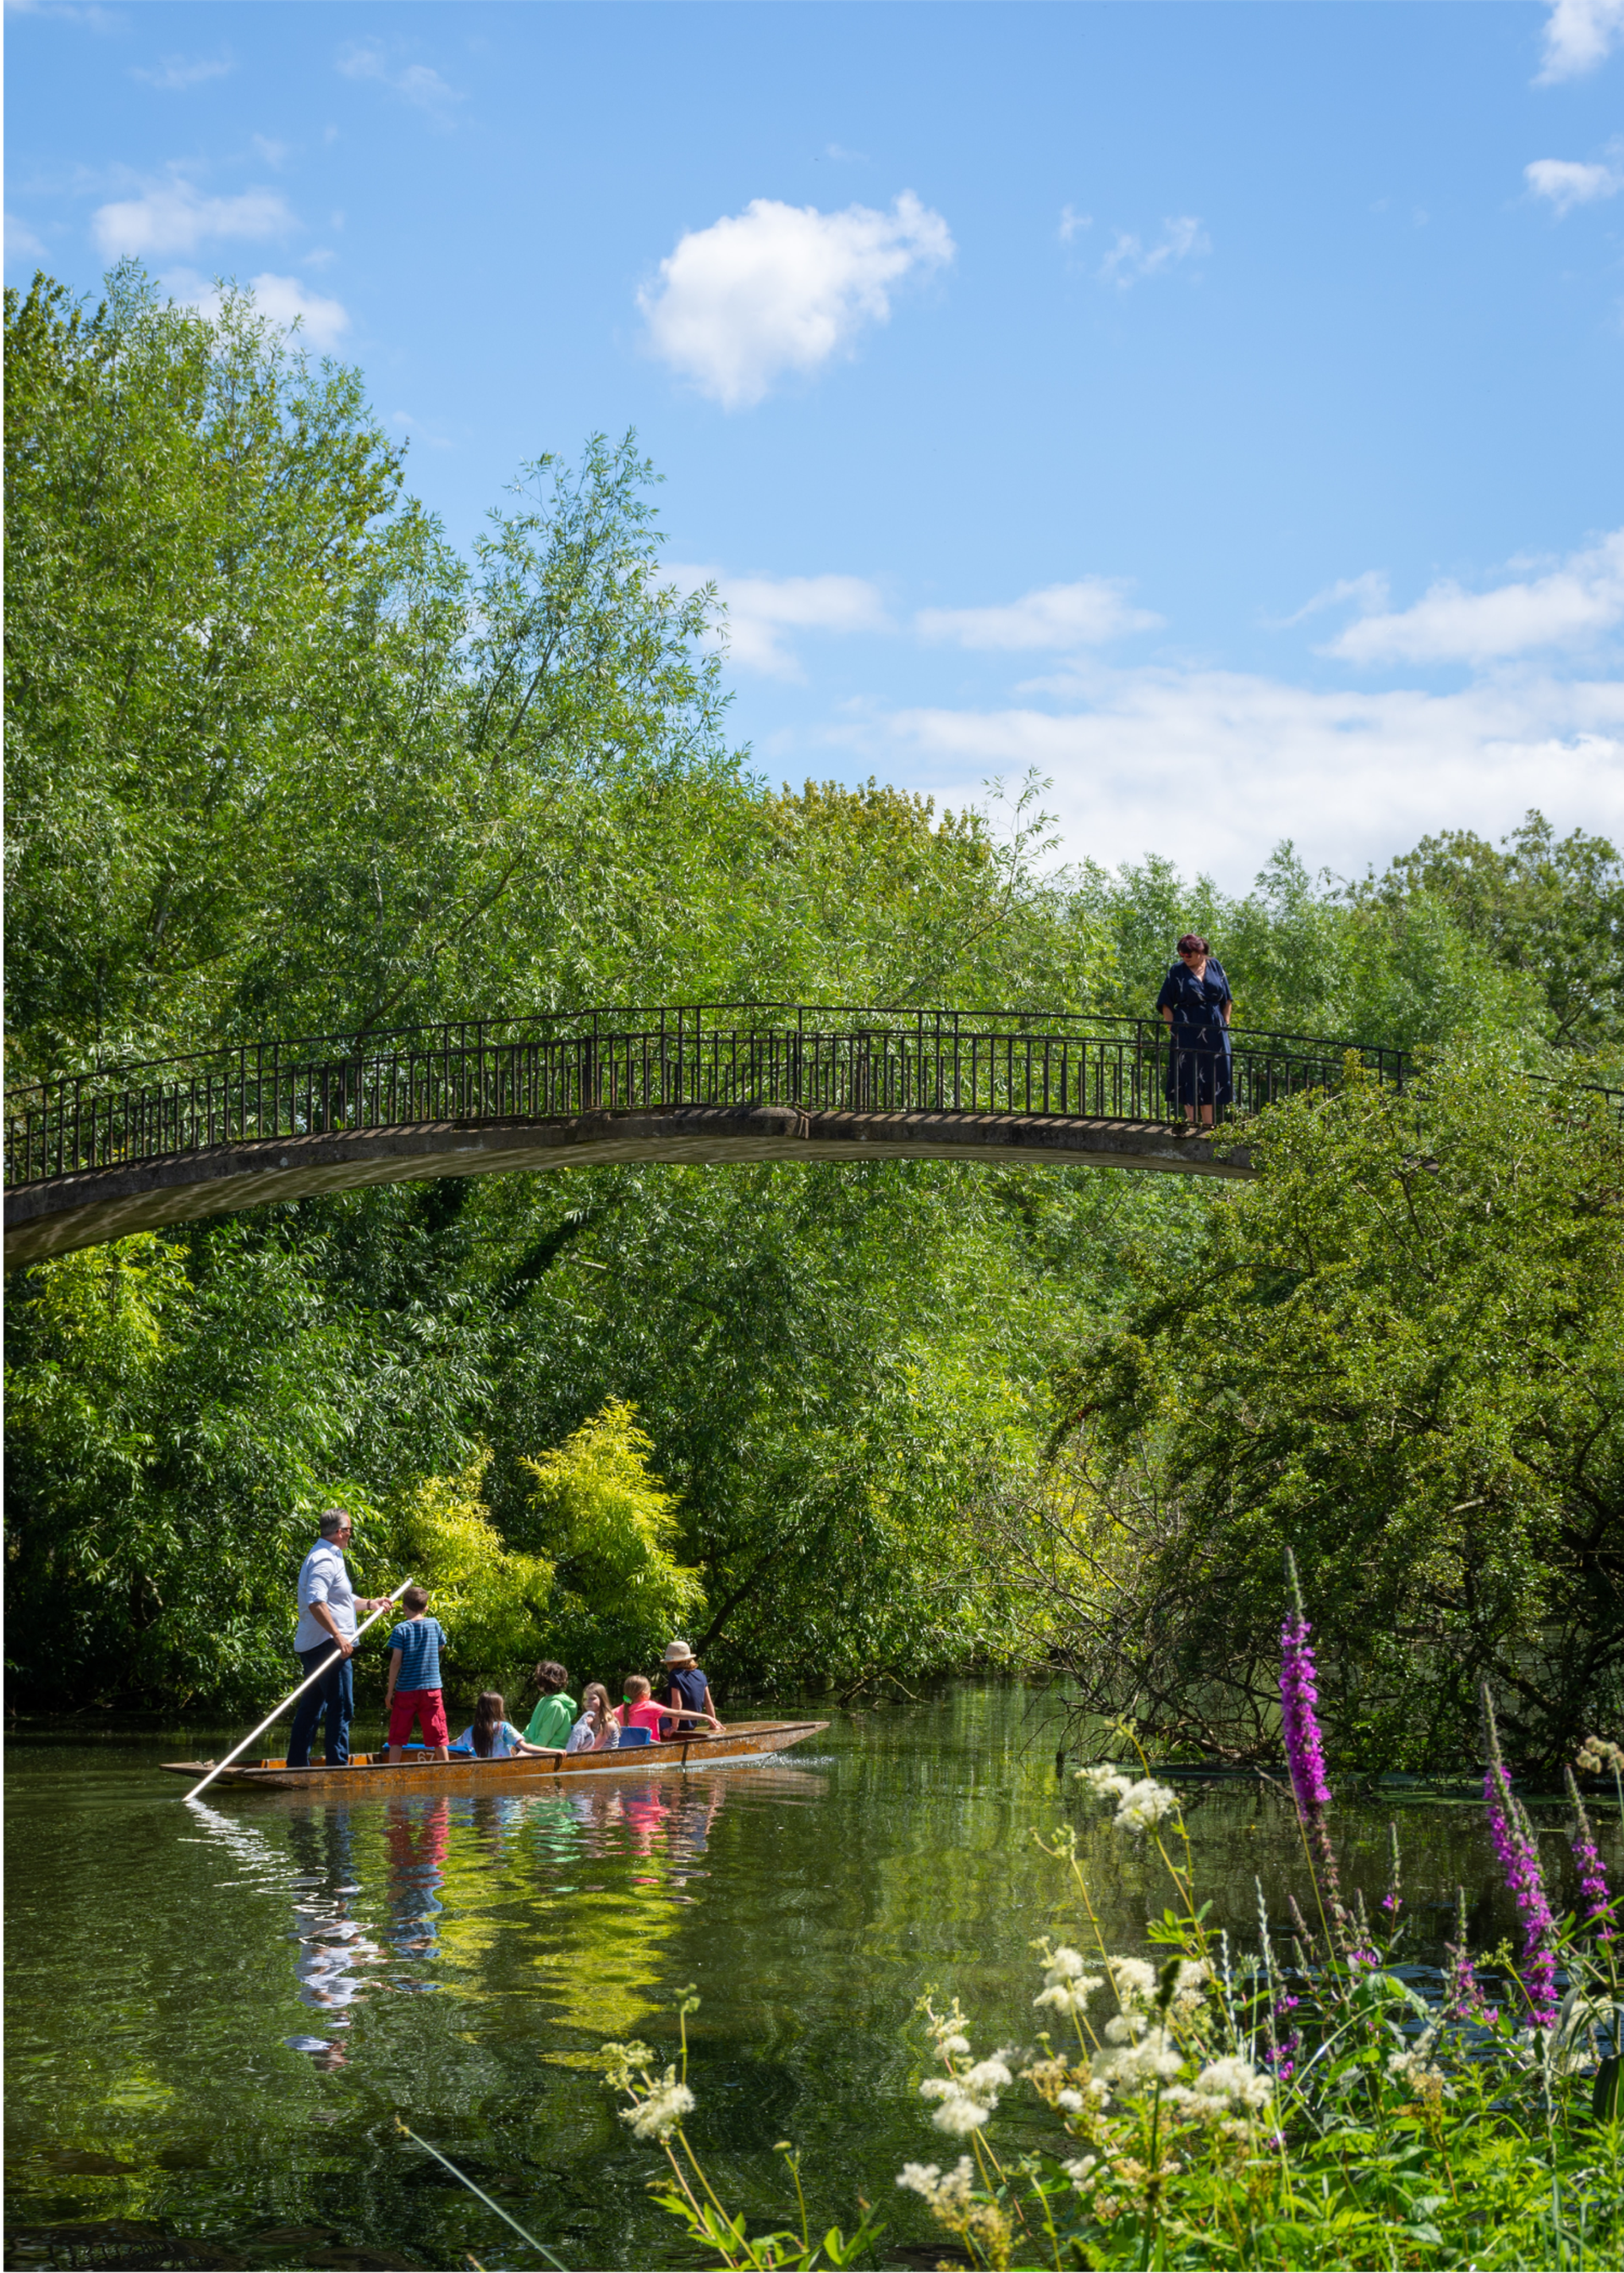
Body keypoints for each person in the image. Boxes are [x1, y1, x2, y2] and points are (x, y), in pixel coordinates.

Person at [287, 1509, 389, 1770]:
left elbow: (340, 1600)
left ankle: (297, 1765)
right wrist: (337, 1636)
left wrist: (371, 1603)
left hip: (318, 1645)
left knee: (313, 1706)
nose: (351, 1536)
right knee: (342, 1707)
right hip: (327, 1647)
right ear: (341, 1532)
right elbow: (316, 1602)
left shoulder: (331, 1555)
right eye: (350, 1531)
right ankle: (337, 1766)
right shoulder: (323, 1559)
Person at [1155, 932, 1233, 1128]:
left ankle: (1209, 1124)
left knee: (1213, 1072)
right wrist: (1173, 1029)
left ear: (1200, 952)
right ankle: (1191, 1123)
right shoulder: (1177, 971)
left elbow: (1227, 998)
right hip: (1186, 1028)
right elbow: (1165, 1002)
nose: (1184, 957)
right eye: (1181, 954)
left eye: (1188, 954)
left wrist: (1225, 1023)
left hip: (1214, 1029)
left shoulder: (1215, 965)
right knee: (1187, 1071)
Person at [382, 1584, 450, 1764]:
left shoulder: (400, 1629)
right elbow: (441, 1646)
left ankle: (392, 1772)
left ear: (404, 1607)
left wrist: (390, 1692)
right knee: (439, 1734)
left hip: (406, 1690)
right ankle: (446, 1770)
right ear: (425, 1608)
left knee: (397, 1736)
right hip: (432, 1689)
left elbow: (396, 1662)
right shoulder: (434, 1624)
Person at [613, 1672, 721, 1747]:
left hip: (627, 1748)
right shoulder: (649, 1706)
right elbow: (678, 1713)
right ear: (644, 1694)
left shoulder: (619, 1710)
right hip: (651, 1749)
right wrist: (706, 1716)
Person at [453, 1690, 558, 1760]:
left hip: (480, 1771)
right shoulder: (503, 1727)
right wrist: (555, 1751)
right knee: (529, 1748)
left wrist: (442, 1746)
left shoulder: (471, 1730)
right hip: (502, 1770)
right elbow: (526, 1748)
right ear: (497, 1709)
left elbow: (451, 1745)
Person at [656, 1639, 724, 1732]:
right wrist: (714, 1722)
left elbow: (677, 1703)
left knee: (652, 1713)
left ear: (674, 1662)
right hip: (692, 1723)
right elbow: (708, 1702)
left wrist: (674, 1726)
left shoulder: (674, 1675)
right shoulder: (700, 1674)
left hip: (678, 1724)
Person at [522, 1661, 577, 1750]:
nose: (536, 1680)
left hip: (551, 1749)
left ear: (546, 1681)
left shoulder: (556, 1706)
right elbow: (532, 1727)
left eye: (539, 1678)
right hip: (537, 1746)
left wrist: (528, 1749)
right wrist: (519, 1741)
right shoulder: (544, 1700)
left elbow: (544, 1737)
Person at [566, 1682, 617, 1754]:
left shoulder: (608, 1724)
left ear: (602, 1700)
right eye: (584, 1699)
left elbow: (594, 1748)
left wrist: (588, 1727)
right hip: (590, 1757)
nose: (588, 1702)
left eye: (592, 1698)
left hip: (607, 1758)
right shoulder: (586, 1720)